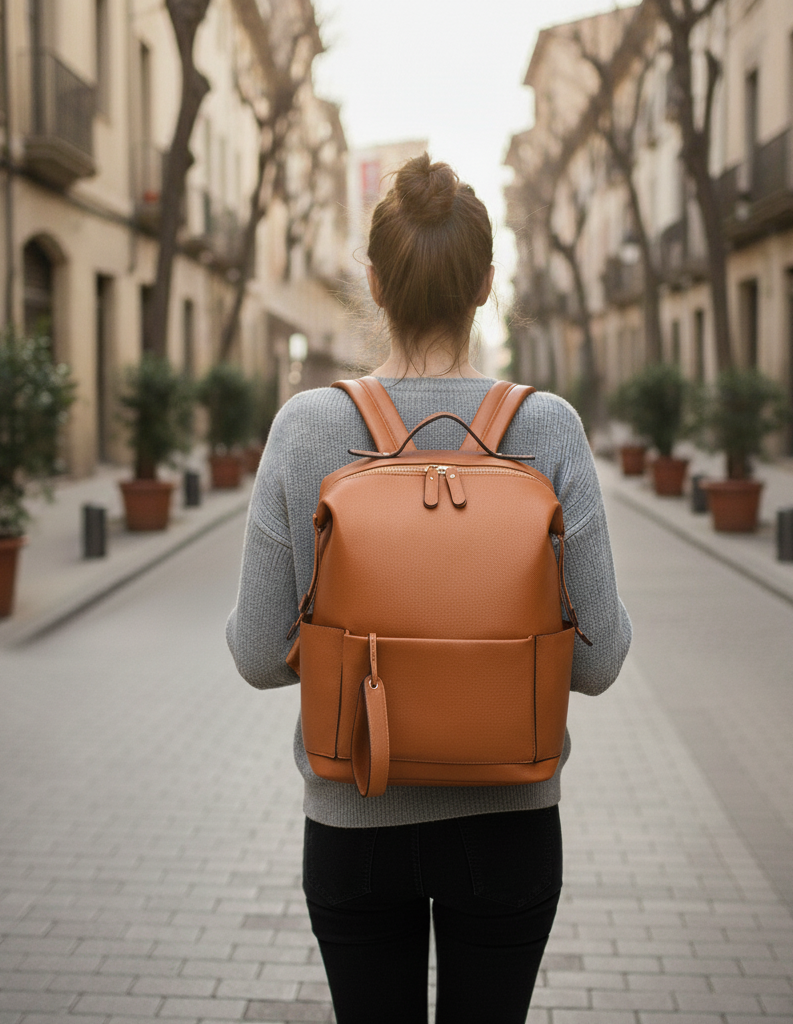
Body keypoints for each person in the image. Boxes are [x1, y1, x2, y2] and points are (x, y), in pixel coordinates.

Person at [226, 153, 632, 1024]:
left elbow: (257, 654)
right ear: (486, 284)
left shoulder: (306, 427)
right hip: (511, 825)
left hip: (354, 820)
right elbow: (601, 664)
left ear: (374, 283)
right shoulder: (550, 427)